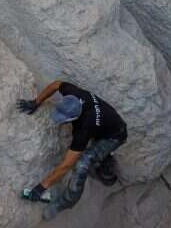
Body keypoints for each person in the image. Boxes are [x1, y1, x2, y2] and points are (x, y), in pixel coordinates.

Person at [17, 80, 128, 220]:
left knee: (82, 164)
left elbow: (66, 165)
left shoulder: (84, 129)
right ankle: (104, 159)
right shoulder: (73, 93)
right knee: (94, 151)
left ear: (75, 118)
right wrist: (36, 101)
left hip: (115, 135)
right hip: (108, 122)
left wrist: (41, 188)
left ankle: (64, 203)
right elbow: (55, 85)